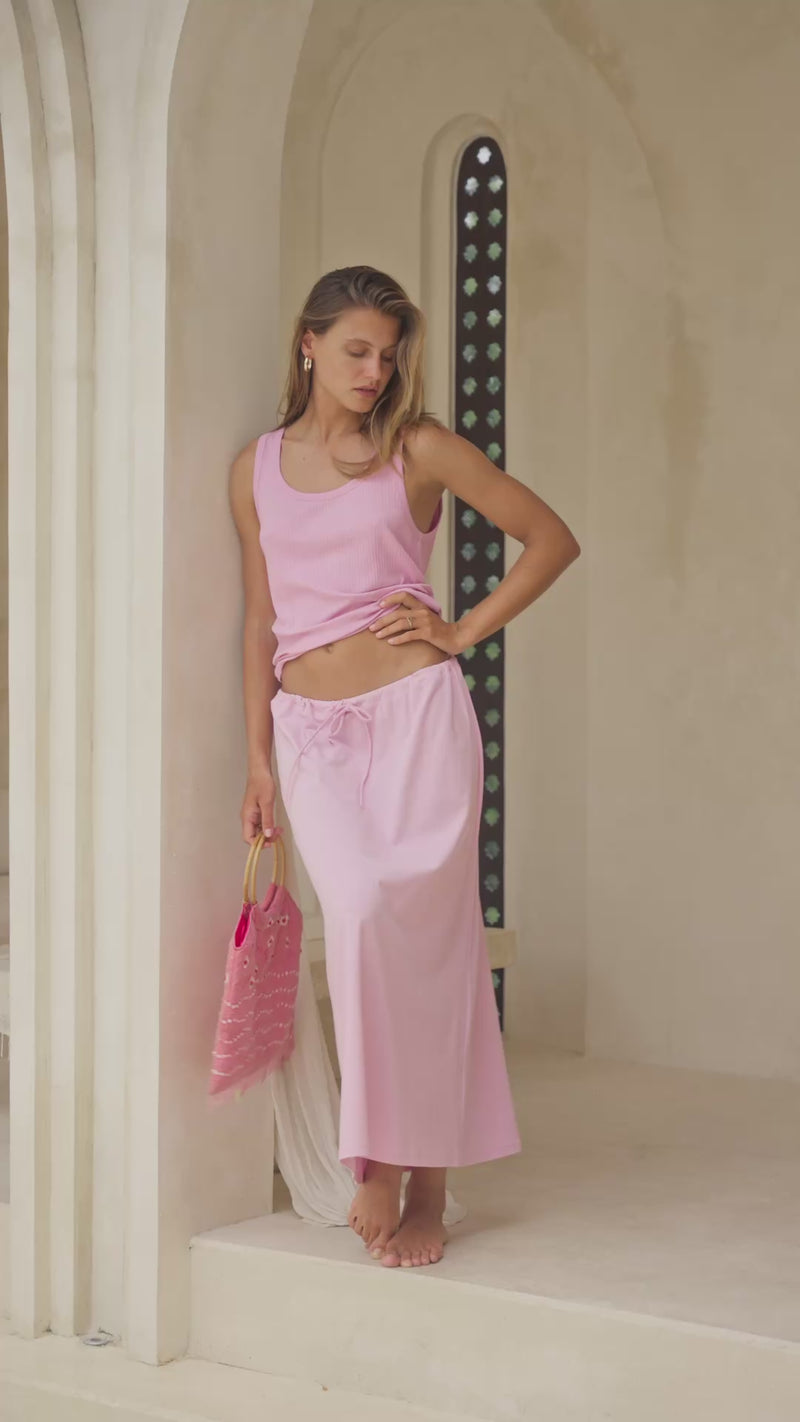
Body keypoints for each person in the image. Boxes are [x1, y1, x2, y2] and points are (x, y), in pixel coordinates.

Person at [229, 265, 580, 1270]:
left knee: (436, 938)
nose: (374, 371)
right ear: (307, 344)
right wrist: (258, 761)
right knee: (365, 908)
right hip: (310, 732)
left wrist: (462, 627)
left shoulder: (416, 448)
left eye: (386, 354)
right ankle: (379, 1144)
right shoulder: (251, 468)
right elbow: (261, 621)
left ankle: (408, 1174)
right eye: (354, 350)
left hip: (418, 719)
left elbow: (547, 537)